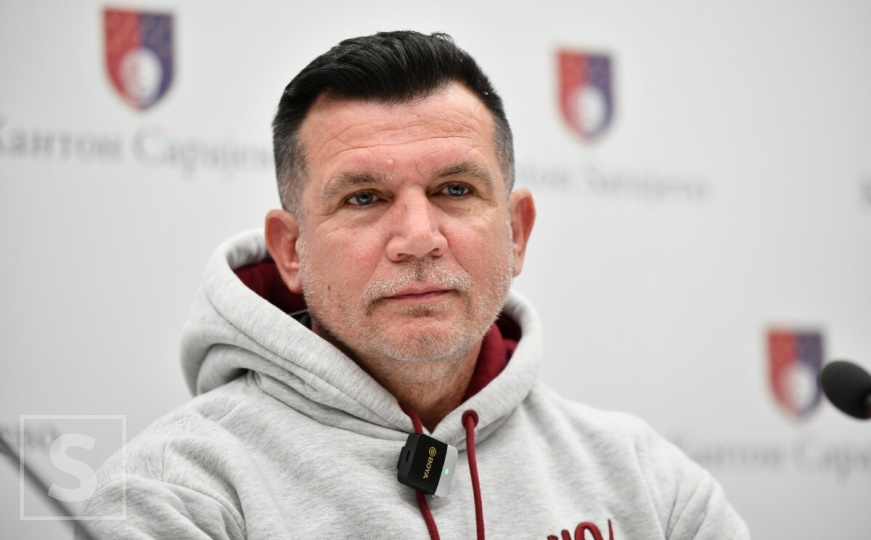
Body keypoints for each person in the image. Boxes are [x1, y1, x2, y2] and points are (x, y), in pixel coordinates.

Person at [79, 31, 750, 539]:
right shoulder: (173, 496)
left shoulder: (650, 485)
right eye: (363, 198)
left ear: (516, 232)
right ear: (290, 250)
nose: (418, 237)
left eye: (454, 190)